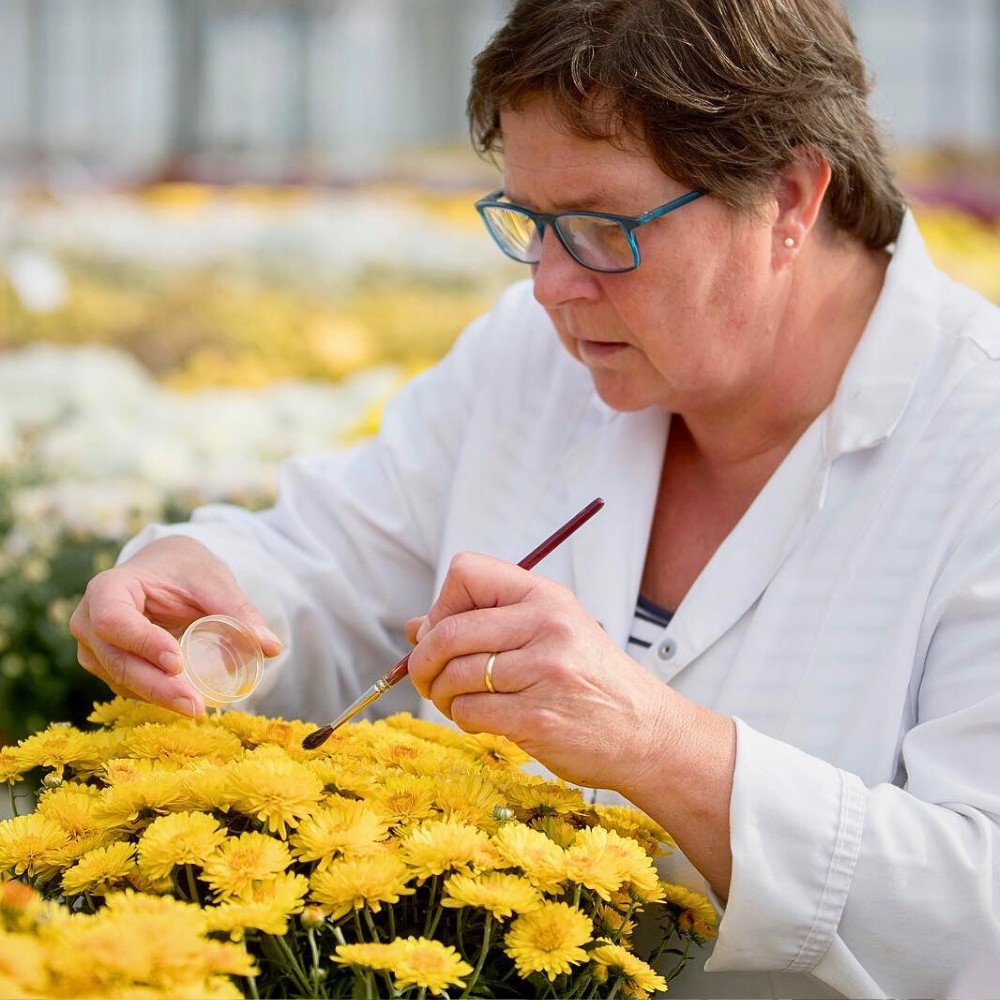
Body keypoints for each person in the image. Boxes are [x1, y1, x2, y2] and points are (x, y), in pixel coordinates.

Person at [70, 0, 1000, 996]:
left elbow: (975, 909)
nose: (553, 282)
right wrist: (201, 584)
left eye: (603, 227)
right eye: (532, 223)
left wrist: (658, 743)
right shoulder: (532, 356)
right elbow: (326, 566)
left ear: (788, 195)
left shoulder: (972, 440)